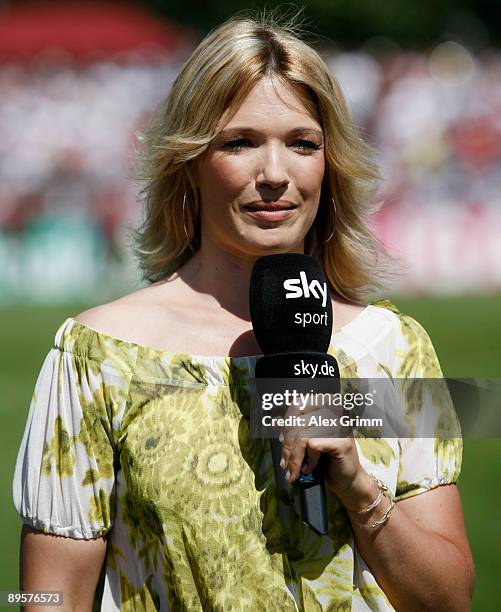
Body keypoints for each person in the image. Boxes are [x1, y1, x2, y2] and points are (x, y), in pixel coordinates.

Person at [13, 14, 474, 612]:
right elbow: (45, 597)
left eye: (303, 143)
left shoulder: (398, 346)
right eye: (240, 142)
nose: (275, 175)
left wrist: (358, 487)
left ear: (330, 166)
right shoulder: (95, 357)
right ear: (189, 161)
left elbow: (451, 600)